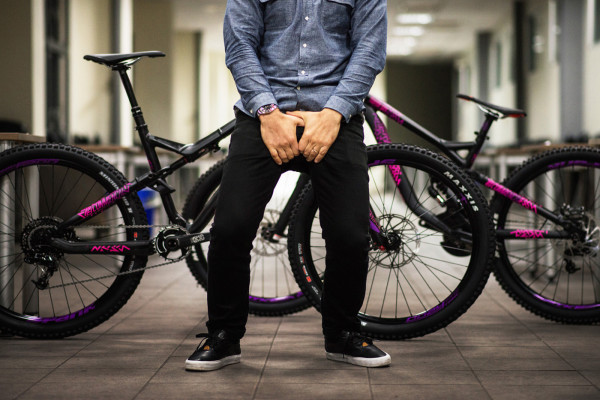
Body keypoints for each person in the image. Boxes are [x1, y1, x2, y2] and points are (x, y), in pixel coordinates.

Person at [186, 0, 388, 371]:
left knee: (350, 234)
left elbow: (369, 50)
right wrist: (267, 112)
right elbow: (240, 45)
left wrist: (334, 113)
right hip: (263, 118)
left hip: (334, 119)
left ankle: (342, 333)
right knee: (230, 228)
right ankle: (224, 335)